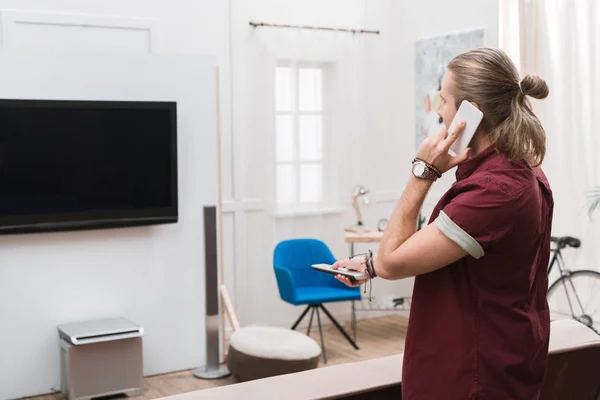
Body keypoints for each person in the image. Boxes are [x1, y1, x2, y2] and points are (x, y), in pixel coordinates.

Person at [333, 47, 553, 400]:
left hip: (471, 378)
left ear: (471, 114)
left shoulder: (495, 191)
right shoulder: (516, 171)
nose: (438, 110)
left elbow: (393, 261)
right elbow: (442, 250)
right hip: (497, 364)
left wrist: (423, 172)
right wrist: (371, 265)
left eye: (444, 99)